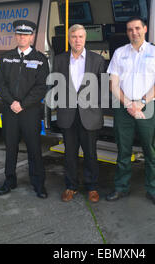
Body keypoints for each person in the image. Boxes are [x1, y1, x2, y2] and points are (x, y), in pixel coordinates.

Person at [106, 17, 155, 206]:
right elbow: (113, 84)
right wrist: (128, 104)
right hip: (123, 107)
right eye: (130, 30)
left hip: (147, 107)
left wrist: (140, 103)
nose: (134, 32)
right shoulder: (119, 53)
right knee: (123, 150)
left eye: (137, 28)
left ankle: (153, 191)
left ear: (145, 29)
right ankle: (121, 188)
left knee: (150, 150)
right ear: (127, 33)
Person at [52, 24, 106, 203]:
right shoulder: (59, 60)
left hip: (89, 115)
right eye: (74, 37)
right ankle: (71, 186)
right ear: (69, 39)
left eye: (81, 37)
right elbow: (55, 86)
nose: (77, 40)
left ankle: (92, 188)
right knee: (69, 154)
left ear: (85, 38)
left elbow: (104, 89)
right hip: (68, 114)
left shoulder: (97, 60)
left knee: (91, 154)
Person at [0, 20, 49, 198]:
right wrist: (12, 102)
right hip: (10, 110)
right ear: (15, 36)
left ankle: (38, 184)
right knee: (10, 147)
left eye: (26, 35)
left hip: (30, 111)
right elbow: (0, 84)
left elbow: (41, 87)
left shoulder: (41, 59)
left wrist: (23, 104)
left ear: (32, 37)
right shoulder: (6, 57)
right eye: (19, 34)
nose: (22, 37)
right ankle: (9, 180)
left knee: (34, 148)